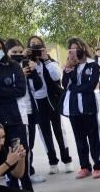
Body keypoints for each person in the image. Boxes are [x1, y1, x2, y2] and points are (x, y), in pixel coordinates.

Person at [0, 34, 35, 192]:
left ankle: (27, 187)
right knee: (2, 153)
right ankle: (12, 188)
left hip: (15, 117)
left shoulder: (13, 66)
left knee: (20, 150)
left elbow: (20, 90)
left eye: (0, 48)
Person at [24, 36, 74, 176]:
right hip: (38, 103)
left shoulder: (50, 61)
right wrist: (25, 60)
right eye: (32, 45)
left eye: (38, 45)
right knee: (44, 134)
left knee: (59, 131)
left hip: (52, 100)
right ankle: (53, 162)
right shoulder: (26, 63)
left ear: (43, 46)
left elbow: (56, 76)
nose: (35, 48)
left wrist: (45, 60)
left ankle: (67, 160)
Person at [61, 37, 100, 179]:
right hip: (74, 109)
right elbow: (65, 85)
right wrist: (68, 68)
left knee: (93, 137)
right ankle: (85, 166)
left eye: (77, 48)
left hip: (88, 107)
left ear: (83, 48)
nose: (74, 51)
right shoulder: (70, 66)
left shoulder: (93, 65)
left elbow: (91, 85)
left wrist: (75, 88)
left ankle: (98, 166)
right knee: (79, 139)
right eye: (71, 49)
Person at [4, 39, 38, 189]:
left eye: (20, 52)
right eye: (14, 53)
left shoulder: (25, 65)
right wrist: (19, 76)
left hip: (25, 113)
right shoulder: (3, 70)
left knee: (25, 148)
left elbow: (36, 86)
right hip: (7, 115)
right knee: (9, 149)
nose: (17, 55)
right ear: (7, 53)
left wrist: (34, 71)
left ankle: (26, 183)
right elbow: (10, 91)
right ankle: (12, 183)